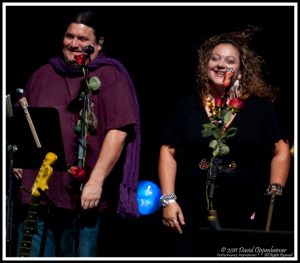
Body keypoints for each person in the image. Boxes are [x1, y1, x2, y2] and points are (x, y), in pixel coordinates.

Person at [12, 10, 140, 257]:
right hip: (37, 196)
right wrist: (21, 157)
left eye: (82, 39)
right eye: (69, 36)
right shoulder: (43, 74)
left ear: (98, 44)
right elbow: (23, 116)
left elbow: (118, 131)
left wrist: (96, 181)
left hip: (81, 198)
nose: (74, 44)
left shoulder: (109, 77)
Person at [158, 26, 291, 256]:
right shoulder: (188, 105)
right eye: (215, 59)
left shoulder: (260, 108)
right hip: (190, 212)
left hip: (244, 213)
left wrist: (271, 199)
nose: (220, 64)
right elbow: (167, 151)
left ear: (240, 70)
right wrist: (168, 200)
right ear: (206, 64)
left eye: (230, 60)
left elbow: (281, 150)